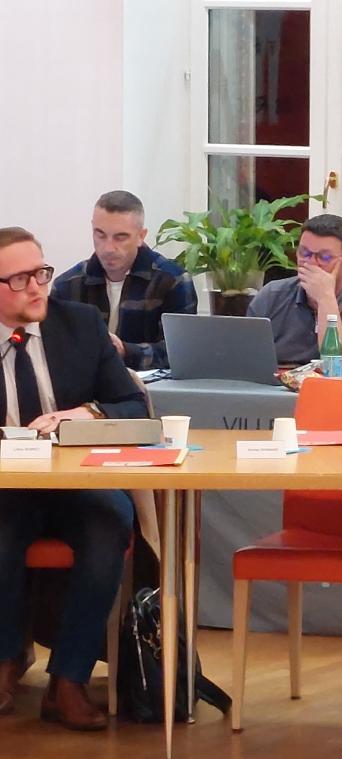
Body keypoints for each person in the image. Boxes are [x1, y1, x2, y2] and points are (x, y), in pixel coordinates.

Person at [0, 227, 149, 731]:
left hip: (77, 483)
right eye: (19, 279)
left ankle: (70, 679)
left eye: (40, 273)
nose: (37, 287)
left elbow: (133, 404)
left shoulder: (80, 324)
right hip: (7, 488)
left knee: (110, 522)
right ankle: (6, 661)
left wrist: (85, 413)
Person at [51, 190, 197, 370]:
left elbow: (180, 352)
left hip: (147, 384)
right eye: (100, 235)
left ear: (141, 236)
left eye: (120, 237)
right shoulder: (67, 285)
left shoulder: (172, 281)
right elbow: (54, 350)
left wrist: (125, 351)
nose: (108, 248)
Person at [247, 214, 342, 373]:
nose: (310, 263)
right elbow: (245, 358)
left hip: (339, 387)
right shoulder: (272, 295)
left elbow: (341, 363)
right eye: (304, 253)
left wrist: (325, 298)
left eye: (324, 257)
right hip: (276, 386)